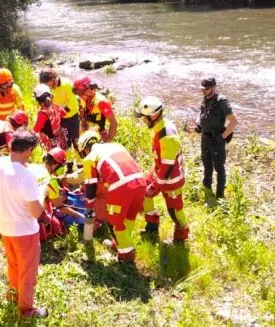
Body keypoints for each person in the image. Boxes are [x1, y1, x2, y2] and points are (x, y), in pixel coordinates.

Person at [0, 128, 48, 318]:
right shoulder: (26, 176)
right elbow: (35, 212)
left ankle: (13, 297)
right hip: (25, 231)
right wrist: (43, 192)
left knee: (14, 266)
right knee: (28, 273)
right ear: (30, 149)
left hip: (6, 228)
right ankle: (26, 310)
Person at [77, 130, 146, 262]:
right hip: (140, 182)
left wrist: (89, 206)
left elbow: (91, 187)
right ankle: (119, 244)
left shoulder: (90, 158)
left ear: (85, 148)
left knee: (115, 221)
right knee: (128, 217)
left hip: (121, 187)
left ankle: (126, 256)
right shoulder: (116, 145)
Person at [134, 96, 190, 244]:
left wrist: (156, 185)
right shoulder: (158, 126)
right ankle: (152, 225)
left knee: (174, 209)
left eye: (144, 118)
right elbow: (161, 158)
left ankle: (181, 235)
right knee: (145, 192)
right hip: (160, 170)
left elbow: (168, 167)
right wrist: (152, 177)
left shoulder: (167, 136)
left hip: (171, 178)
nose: (143, 120)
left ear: (153, 115)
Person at [195, 78, 239, 199]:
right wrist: (198, 123)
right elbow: (201, 113)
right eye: (202, 89)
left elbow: (234, 122)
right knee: (207, 166)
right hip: (205, 138)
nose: (203, 91)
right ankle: (207, 191)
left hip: (216, 140)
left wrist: (223, 137)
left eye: (206, 89)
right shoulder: (205, 99)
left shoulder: (222, 101)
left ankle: (220, 197)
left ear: (214, 87)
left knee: (219, 168)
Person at [39, 68, 80, 170]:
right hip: (62, 121)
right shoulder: (49, 91)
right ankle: (69, 166)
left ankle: (80, 165)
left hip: (73, 119)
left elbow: (72, 105)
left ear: (53, 78)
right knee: (66, 144)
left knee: (76, 142)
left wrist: (58, 113)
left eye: (47, 83)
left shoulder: (67, 85)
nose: (47, 86)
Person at [72, 76, 118, 142]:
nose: (80, 96)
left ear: (88, 90)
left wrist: (109, 138)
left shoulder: (101, 102)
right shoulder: (84, 100)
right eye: (78, 94)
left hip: (97, 139)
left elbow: (113, 122)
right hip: (86, 135)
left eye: (80, 94)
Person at [32, 84, 68, 151]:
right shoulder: (56, 107)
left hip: (51, 141)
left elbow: (36, 129)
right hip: (60, 138)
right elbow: (64, 113)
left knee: (53, 158)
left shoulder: (42, 114)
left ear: (39, 101)